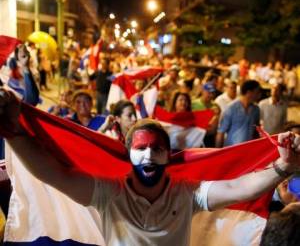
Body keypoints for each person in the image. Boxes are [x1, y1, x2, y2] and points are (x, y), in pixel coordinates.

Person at [1, 88, 300, 245]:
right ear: (128, 154)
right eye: (140, 149)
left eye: (156, 149)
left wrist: (282, 167)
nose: (148, 156)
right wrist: (12, 131)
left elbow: (238, 187)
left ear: (168, 156)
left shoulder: (188, 193)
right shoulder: (109, 193)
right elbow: (54, 174)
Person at [216, 80, 261, 147]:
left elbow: (256, 131)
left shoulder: (256, 109)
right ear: (249, 92)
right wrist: (218, 153)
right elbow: (221, 133)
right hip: (231, 150)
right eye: (257, 92)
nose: (259, 95)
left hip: (249, 151)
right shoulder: (230, 108)